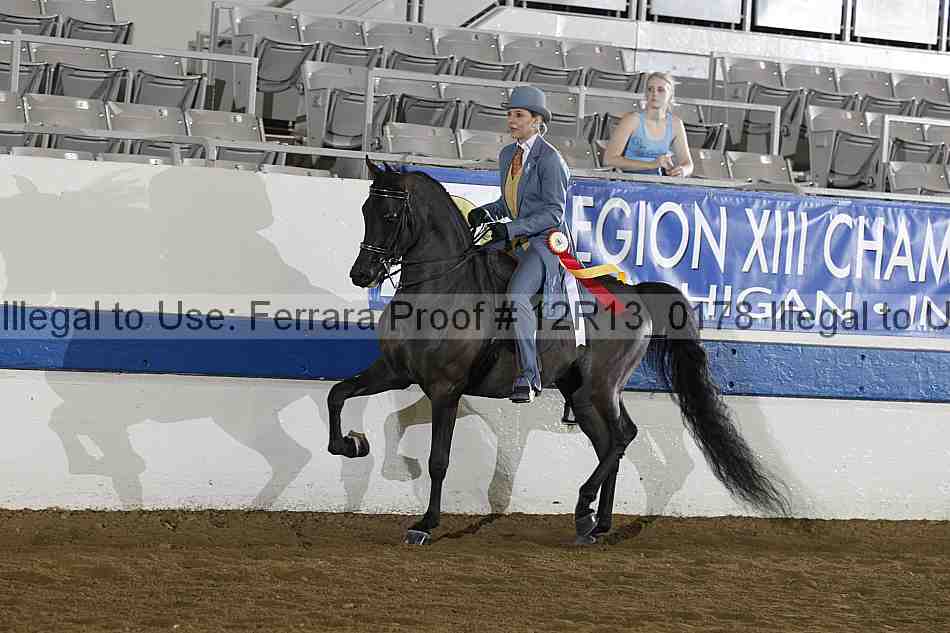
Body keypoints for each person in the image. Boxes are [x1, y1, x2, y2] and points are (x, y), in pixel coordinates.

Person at [466, 86, 571, 404]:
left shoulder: (550, 160)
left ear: (536, 120)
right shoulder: (506, 155)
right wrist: (486, 212)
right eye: (510, 114)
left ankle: (529, 375)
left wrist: (509, 229)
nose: (511, 120)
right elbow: (510, 202)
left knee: (517, 295)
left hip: (542, 243)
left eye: (519, 115)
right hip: (515, 239)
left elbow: (553, 213)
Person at [603, 71, 694, 177]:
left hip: (658, 181)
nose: (654, 94)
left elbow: (688, 164)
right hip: (631, 180)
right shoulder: (632, 120)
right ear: (646, 94)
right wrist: (651, 165)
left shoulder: (676, 124)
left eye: (660, 90)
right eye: (650, 89)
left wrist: (682, 170)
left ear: (670, 95)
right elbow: (609, 159)